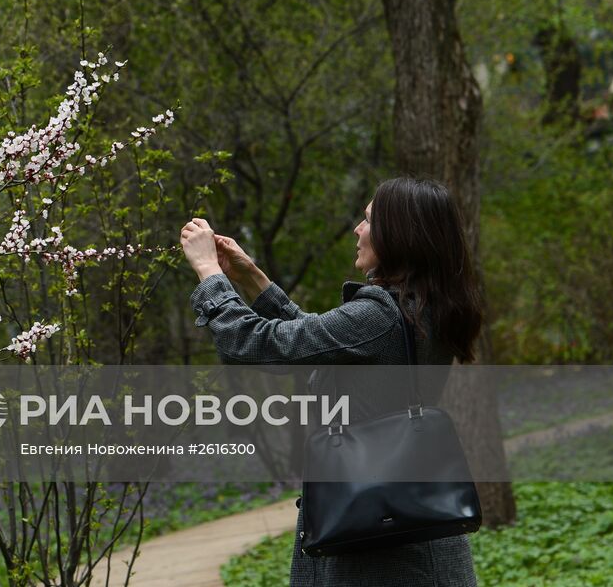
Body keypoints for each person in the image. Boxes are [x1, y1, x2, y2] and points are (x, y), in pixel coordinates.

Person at [180, 176, 484, 587]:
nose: (358, 231)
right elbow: (320, 341)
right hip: (409, 530)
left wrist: (208, 271)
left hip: (377, 549)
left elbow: (255, 344)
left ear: (399, 234)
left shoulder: (378, 315)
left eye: (368, 220)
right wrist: (250, 277)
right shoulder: (424, 308)